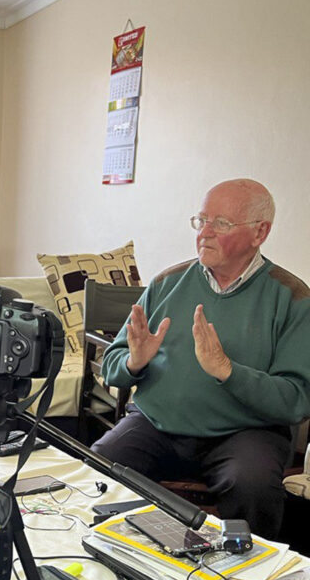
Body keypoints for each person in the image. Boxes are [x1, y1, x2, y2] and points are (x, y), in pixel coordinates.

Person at [92, 178, 310, 539]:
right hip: (157, 425)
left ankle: (248, 572)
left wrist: (228, 372)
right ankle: (118, 557)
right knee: (100, 464)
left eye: (221, 223)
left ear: (260, 232)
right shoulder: (167, 283)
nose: (204, 233)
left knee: (252, 486)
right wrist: (134, 362)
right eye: (201, 220)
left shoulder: (292, 297)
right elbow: (114, 366)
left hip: (245, 435)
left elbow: (296, 400)